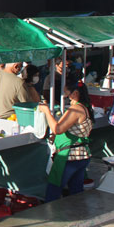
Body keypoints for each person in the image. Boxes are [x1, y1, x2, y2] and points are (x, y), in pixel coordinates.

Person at [37, 73, 93, 202]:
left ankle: (51, 216)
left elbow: (57, 128)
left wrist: (46, 112)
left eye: (67, 94)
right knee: (76, 191)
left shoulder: (76, 109)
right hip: (82, 155)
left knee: (54, 189)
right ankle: (76, 214)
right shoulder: (86, 107)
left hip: (70, 156)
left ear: (75, 93)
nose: (67, 98)